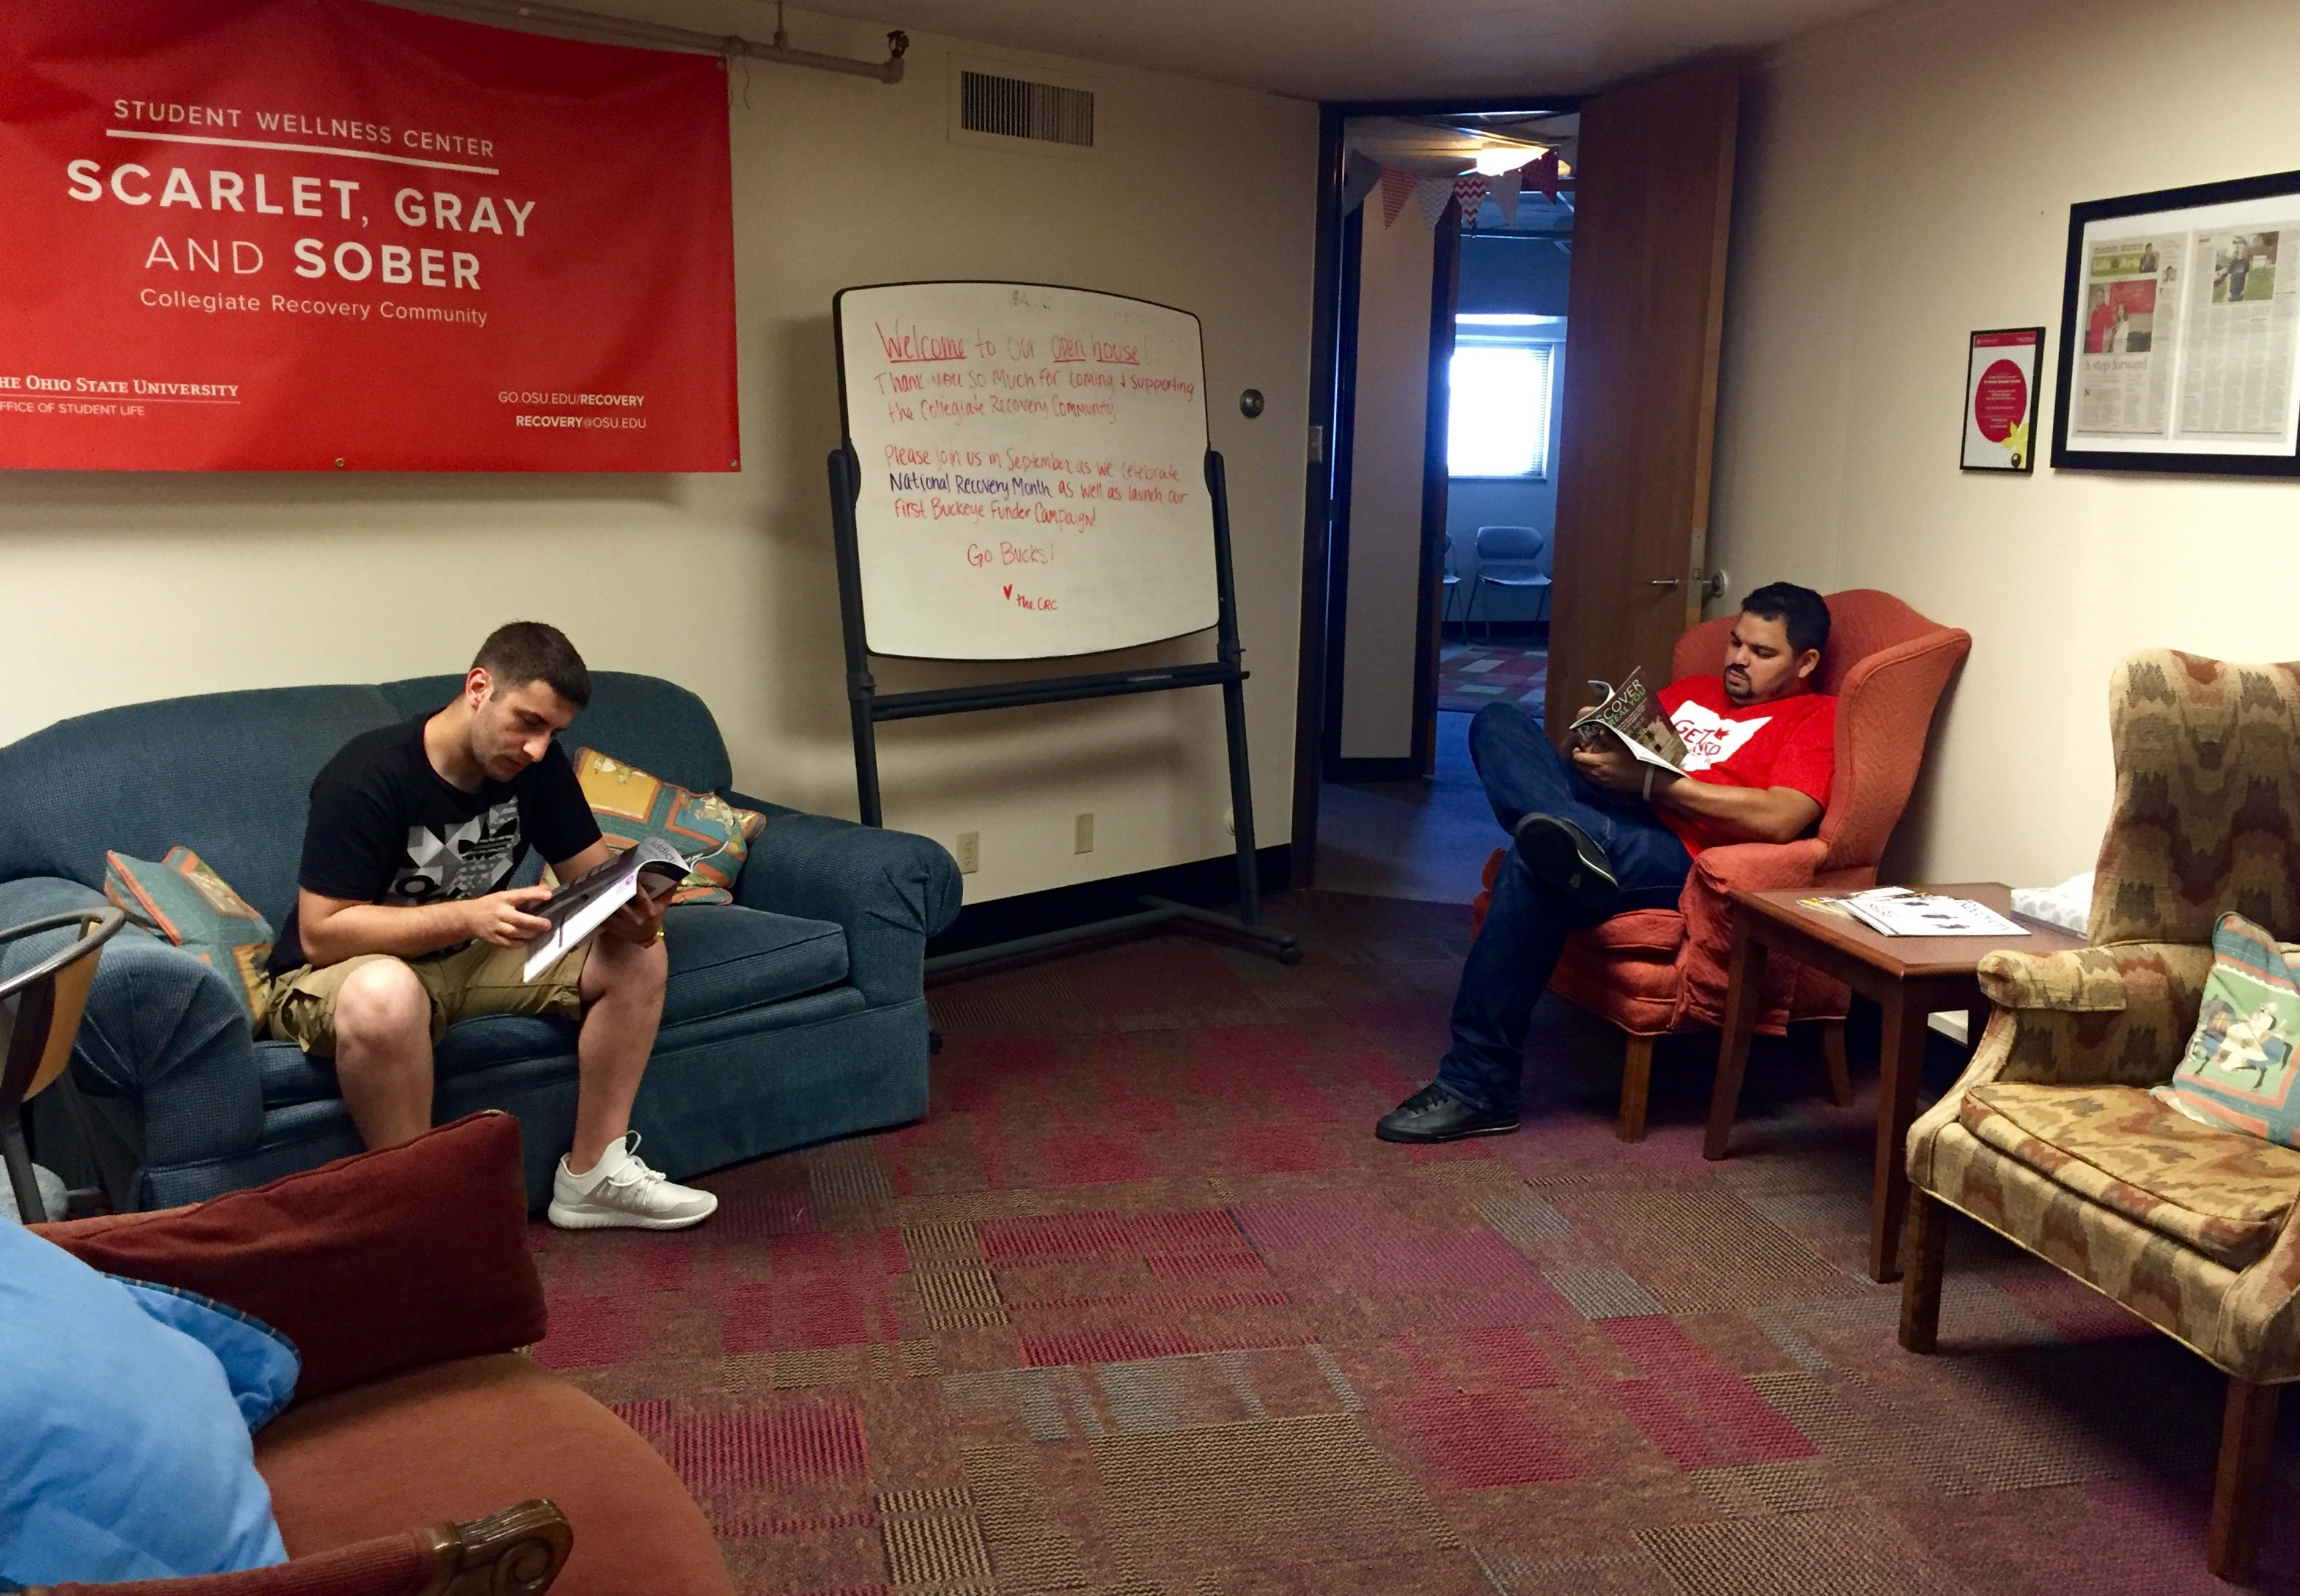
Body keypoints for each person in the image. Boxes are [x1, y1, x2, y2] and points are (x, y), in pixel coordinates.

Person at [264, 621, 716, 1230]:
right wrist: (468, 915)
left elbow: (591, 878)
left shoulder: (537, 769)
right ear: (479, 687)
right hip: (339, 971)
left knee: (638, 956)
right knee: (385, 996)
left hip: (469, 955)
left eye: (553, 732)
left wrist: (636, 911)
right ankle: (414, 1216)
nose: (536, 748)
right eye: (528, 722)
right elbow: (323, 930)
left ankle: (593, 1177)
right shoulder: (367, 775)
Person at [1376, 583, 1838, 1142]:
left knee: (1533, 858)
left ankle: (1478, 1086)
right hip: (1608, 812)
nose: (1738, 660)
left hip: (1681, 851)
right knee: (1498, 719)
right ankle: (1570, 841)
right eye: (1736, 643)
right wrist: (1589, 740)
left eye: (1762, 653)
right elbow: (1618, 753)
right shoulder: (1693, 690)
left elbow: (1781, 818)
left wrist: (1651, 782)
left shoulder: (1815, 718)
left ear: (1807, 661)